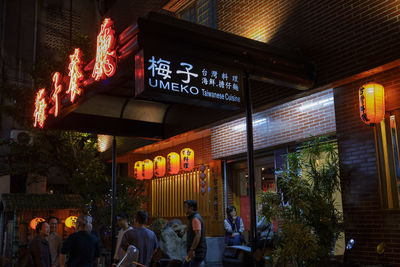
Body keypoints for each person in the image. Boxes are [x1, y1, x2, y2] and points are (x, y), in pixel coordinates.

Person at [183, 200, 207, 267]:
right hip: (192, 252)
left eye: (185, 207)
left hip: (196, 252)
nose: (184, 209)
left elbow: (198, 235)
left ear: (191, 208)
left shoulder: (195, 219)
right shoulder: (193, 218)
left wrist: (192, 249)